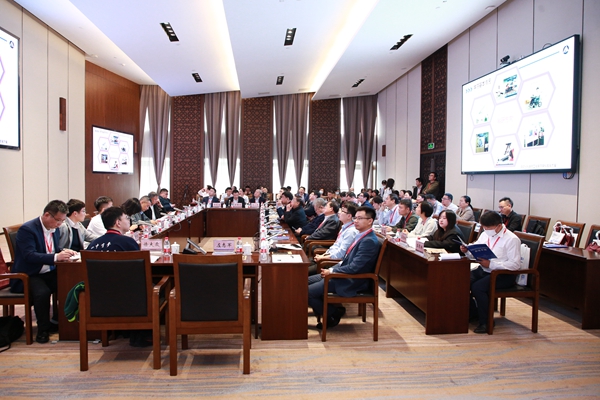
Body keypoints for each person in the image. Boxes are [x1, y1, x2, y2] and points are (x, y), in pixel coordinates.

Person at [11, 200, 77, 343]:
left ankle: (60, 322)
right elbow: (29, 255)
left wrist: (64, 251)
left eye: (62, 221)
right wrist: (56, 257)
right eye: (58, 220)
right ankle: (43, 330)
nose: (60, 224)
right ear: (47, 215)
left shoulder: (55, 228)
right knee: (43, 293)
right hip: (29, 274)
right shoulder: (28, 229)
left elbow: (51, 249)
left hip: (48, 271)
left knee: (70, 282)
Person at [308, 206, 381, 329]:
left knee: (307, 292)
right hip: (343, 274)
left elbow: (354, 267)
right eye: (355, 218)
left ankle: (332, 313)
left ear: (370, 221)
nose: (355, 221)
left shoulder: (368, 241)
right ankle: (332, 310)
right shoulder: (361, 235)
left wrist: (332, 271)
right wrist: (332, 269)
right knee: (304, 282)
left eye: (360, 218)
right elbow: (346, 260)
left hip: (352, 280)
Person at [460, 211, 521, 334]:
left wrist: (491, 264)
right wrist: (467, 250)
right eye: (484, 227)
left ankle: (486, 322)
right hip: (484, 269)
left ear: (499, 225)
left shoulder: (512, 239)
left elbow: (515, 265)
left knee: (478, 288)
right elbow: (476, 249)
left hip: (503, 275)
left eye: (488, 228)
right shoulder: (485, 234)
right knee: (461, 282)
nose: (486, 230)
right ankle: (474, 313)